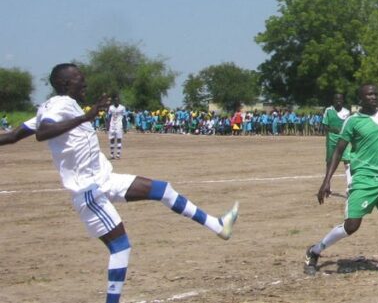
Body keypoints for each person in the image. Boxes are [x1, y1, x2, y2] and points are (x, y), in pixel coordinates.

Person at [35, 63, 238, 303]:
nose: (85, 83)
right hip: (88, 190)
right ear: (65, 84)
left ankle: (217, 226)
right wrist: (86, 117)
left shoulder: (59, 105)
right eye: (80, 79)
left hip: (104, 179)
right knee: (121, 247)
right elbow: (43, 132)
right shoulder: (60, 105)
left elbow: (20, 133)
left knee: (162, 189)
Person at [305, 83, 378, 285]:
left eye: (376, 93)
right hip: (363, 179)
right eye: (369, 94)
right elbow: (338, 151)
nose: (374, 97)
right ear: (361, 98)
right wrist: (326, 180)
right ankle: (315, 251)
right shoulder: (353, 121)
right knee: (351, 226)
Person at [323, 92, 353, 198]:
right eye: (336, 99)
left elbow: (350, 126)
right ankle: (327, 185)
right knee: (330, 162)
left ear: (343, 100)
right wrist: (333, 130)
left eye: (340, 99)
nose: (338, 101)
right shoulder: (328, 110)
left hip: (343, 139)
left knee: (347, 160)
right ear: (333, 100)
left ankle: (350, 186)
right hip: (331, 139)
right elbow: (325, 126)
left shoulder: (347, 112)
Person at [106, 94, 127, 159]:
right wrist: (107, 126)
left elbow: (124, 118)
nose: (116, 101)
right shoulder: (111, 108)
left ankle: (118, 154)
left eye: (117, 100)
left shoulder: (122, 108)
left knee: (119, 139)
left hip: (119, 125)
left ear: (119, 101)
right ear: (114, 101)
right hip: (112, 125)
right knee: (111, 139)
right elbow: (109, 117)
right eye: (115, 100)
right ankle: (112, 154)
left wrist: (125, 127)